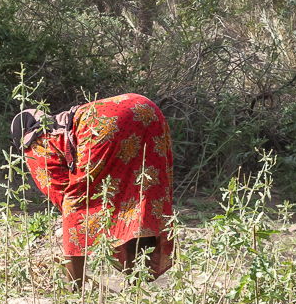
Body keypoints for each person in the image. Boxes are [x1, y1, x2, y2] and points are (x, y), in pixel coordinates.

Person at [14, 93, 176, 288]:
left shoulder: (36, 143)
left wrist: (88, 224)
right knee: (141, 196)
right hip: (147, 108)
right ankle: (141, 280)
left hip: (106, 121)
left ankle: (75, 286)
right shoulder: (64, 122)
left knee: (76, 205)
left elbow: (63, 195)